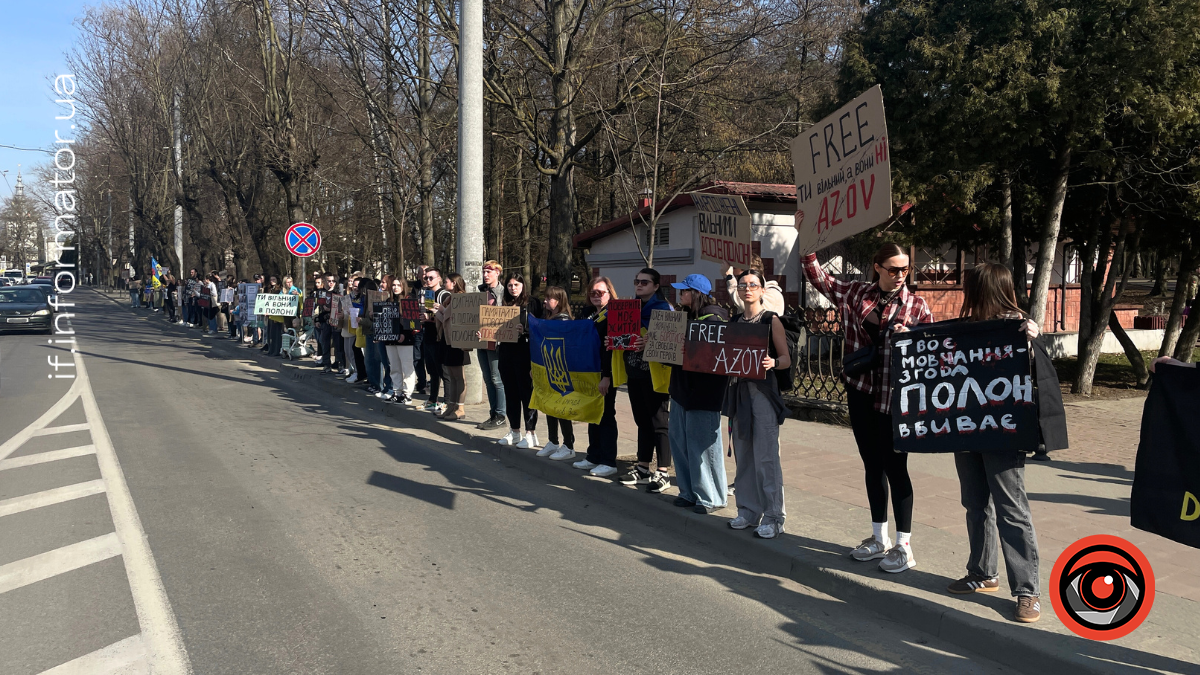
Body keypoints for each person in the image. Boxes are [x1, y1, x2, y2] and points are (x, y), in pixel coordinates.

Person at [945, 262, 1065, 625]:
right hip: (966, 428)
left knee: (1011, 508)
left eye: (972, 289)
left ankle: (1027, 591)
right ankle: (983, 572)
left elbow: (1037, 376)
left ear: (984, 291)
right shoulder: (965, 329)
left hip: (1003, 431)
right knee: (975, 502)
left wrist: (1032, 341)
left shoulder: (1018, 329)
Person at [803, 243, 933, 571]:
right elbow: (820, 279)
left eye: (905, 269)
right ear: (877, 267)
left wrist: (913, 339)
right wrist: (806, 245)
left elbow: (934, 353)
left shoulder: (916, 306)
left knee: (896, 468)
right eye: (893, 269)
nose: (900, 275)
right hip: (861, 392)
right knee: (872, 466)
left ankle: (904, 546)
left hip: (896, 399)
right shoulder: (856, 294)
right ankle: (879, 539)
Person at [723, 268, 793, 539]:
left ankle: (774, 516)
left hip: (763, 392)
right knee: (744, 453)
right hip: (739, 392)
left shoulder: (770, 320)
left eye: (753, 285)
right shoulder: (735, 321)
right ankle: (748, 511)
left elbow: (785, 358)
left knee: (766, 455)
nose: (747, 289)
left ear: (763, 290)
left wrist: (772, 362)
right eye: (742, 285)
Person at [667, 274, 730, 512]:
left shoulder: (715, 319)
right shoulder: (684, 317)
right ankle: (689, 491)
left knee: (703, 447)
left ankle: (711, 496)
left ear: (696, 293)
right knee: (680, 442)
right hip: (681, 390)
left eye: (684, 291)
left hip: (704, 393)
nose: (680, 294)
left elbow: (713, 358)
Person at [615, 268, 674, 491]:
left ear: (656, 286)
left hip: (655, 374)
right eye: (637, 281)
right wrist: (613, 340)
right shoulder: (629, 308)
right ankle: (642, 467)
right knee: (641, 420)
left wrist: (649, 342)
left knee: (659, 421)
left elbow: (670, 340)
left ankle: (663, 472)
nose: (639, 285)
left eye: (645, 282)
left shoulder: (663, 308)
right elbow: (621, 334)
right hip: (634, 371)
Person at [574, 276, 620, 477]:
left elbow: (612, 348)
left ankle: (608, 460)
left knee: (606, 415)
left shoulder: (615, 315)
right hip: (588, 373)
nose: (595, 296)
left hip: (605, 373)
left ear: (609, 294)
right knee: (593, 414)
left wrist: (607, 376)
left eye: (600, 292)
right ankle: (593, 455)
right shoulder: (587, 314)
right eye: (592, 292)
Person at [492, 272, 543, 447]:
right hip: (506, 353)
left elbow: (541, 328)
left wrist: (525, 330)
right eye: (510, 285)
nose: (513, 288)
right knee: (510, 394)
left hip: (525, 353)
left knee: (526, 394)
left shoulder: (533, 303)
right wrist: (485, 332)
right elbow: (494, 327)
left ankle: (531, 433)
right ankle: (514, 431)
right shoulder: (504, 304)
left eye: (516, 285)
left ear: (523, 286)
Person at [536, 286, 578, 461]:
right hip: (549, 368)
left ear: (559, 301)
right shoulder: (549, 319)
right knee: (550, 406)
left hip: (561, 370)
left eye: (549, 298)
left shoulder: (563, 321)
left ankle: (568, 445)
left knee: (561, 408)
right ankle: (553, 440)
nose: (545, 301)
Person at [475, 260, 508, 429]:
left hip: (496, 342)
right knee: (488, 379)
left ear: (498, 273)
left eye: (489, 272)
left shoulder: (503, 293)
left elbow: (506, 316)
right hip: (481, 341)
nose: (486, 275)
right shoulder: (481, 292)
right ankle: (493, 413)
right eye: (484, 272)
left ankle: (501, 414)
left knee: (497, 378)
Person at [436, 273, 470, 420]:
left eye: (447, 281)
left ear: (454, 283)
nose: (444, 283)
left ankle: (460, 407)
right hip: (447, 339)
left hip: (457, 340)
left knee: (458, 376)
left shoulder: (461, 298)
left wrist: (441, 311)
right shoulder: (449, 298)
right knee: (451, 374)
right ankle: (452, 405)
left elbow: (458, 317)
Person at [381, 276, 418, 404]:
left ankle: (407, 393)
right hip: (391, 339)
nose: (395, 287)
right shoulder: (388, 301)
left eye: (398, 285)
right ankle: (397, 391)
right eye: (394, 285)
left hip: (405, 340)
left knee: (407, 366)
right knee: (394, 366)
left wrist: (405, 334)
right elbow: (384, 321)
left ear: (403, 286)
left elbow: (412, 323)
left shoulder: (409, 300)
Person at [419, 268, 452, 412]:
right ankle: (433, 399)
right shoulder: (428, 294)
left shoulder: (444, 294)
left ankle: (447, 402)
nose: (427, 280)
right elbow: (428, 313)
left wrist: (430, 317)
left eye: (431, 278)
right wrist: (423, 317)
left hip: (439, 337)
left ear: (439, 278)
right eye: (426, 278)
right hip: (428, 335)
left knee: (442, 371)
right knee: (431, 370)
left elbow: (447, 317)